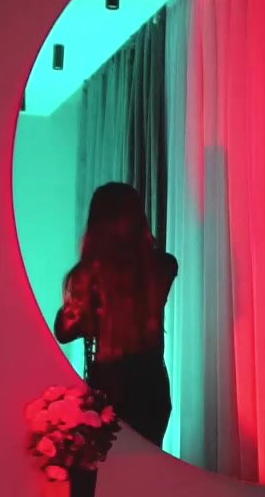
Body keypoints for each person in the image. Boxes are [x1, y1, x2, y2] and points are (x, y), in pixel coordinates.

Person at [55, 182, 179, 450]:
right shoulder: (162, 266)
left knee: (111, 470)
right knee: (148, 466)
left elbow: (64, 331)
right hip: (151, 390)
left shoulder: (88, 277)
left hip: (108, 391)